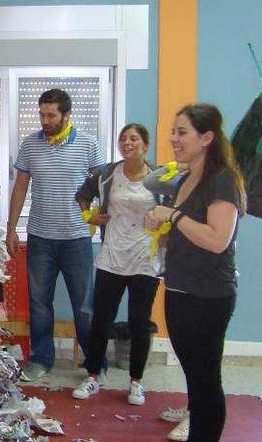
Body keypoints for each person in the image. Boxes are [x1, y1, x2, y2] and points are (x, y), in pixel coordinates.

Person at [145, 103, 245, 442]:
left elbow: (218, 241)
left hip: (209, 296)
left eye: (182, 132)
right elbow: (185, 232)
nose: (174, 139)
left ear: (206, 138)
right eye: (173, 131)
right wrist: (163, 225)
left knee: (206, 382)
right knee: (195, 381)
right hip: (181, 289)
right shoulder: (187, 179)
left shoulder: (222, 181)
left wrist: (173, 218)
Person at [6, 88, 105, 382]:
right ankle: (41, 359)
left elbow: (106, 186)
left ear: (66, 115)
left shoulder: (88, 144)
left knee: (84, 306)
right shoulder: (30, 145)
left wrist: (101, 219)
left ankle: (94, 364)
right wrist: (11, 229)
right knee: (39, 302)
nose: (45, 120)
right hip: (40, 238)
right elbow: (20, 188)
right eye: (42, 114)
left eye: (51, 115)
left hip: (77, 239)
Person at [70, 123, 160, 406]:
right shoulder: (107, 174)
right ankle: (93, 376)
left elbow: (172, 209)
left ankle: (136, 382)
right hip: (112, 257)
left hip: (146, 259)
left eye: (134, 138)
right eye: (123, 139)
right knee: (101, 320)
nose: (128, 143)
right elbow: (81, 195)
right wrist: (90, 217)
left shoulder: (159, 178)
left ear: (145, 145)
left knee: (139, 322)